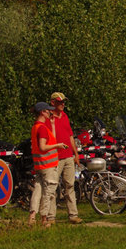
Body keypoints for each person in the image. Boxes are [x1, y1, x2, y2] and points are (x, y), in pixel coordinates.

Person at [29, 102, 69, 227]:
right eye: (48, 111)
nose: (50, 112)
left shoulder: (36, 126)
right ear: (42, 112)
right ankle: (44, 219)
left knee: (38, 190)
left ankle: (32, 217)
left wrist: (51, 124)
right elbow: (43, 146)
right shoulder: (42, 128)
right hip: (48, 165)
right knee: (49, 192)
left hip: (39, 165)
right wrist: (58, 145)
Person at [49, 92, 83, 224]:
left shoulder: (65, 116)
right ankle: (51, 217)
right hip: (55, 157)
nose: (62, 104)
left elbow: (70, 136)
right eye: (60, 102)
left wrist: (75, 154)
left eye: (63, 102)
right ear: (53, 103)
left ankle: (73, 215)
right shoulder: (49, 118)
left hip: (68, 156)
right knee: (52, 187)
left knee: (70, 186)